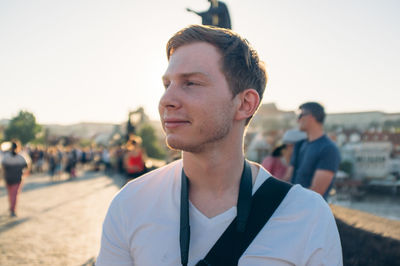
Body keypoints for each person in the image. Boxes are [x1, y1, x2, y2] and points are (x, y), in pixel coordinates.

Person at [97, 25, 342, 265]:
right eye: (166, 85)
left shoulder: (308, 217)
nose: (166, 100)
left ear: (245, 103)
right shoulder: (130, 203)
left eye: (191, 83)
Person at [284, 102, 341, 200]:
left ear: (311, 117)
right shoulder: (299, 145)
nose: (298, 120)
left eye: (300, 115)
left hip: (310, 212)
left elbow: (317, 192)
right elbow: (288, 178)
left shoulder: (329, 149)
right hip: (292, 207)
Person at [1, 140, 30, 217]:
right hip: (17, 178)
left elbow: (2, 167)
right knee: (15, 195)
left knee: (10, 194)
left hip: (8, 178)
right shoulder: (21, 157)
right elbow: (26, 167)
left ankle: (11, 207)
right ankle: (13, 209)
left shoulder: (6, 157)